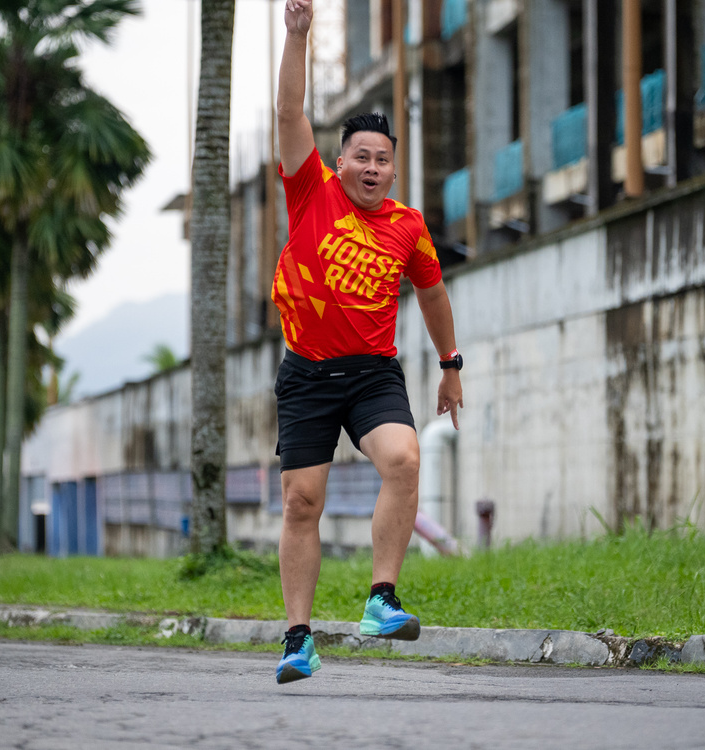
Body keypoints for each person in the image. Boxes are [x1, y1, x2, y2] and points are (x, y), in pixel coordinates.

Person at [272, 0, 464, 684]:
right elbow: (289, 113)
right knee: (302, 502)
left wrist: (450, 364)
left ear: (394, 170)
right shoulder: (310, 191)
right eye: (363, 156)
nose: (374, 167)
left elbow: (433, 294)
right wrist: (298, 36)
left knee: (404, 460)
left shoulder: (408, 226)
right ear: (340, 161)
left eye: (384, 159)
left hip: (372, 374)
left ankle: (382, 599)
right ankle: (298, 638)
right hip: (306, 374)